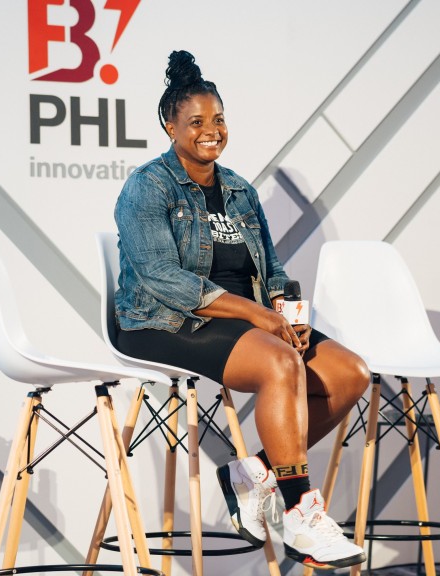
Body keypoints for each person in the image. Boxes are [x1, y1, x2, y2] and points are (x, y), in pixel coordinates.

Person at [114, 50, 370, 570]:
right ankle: (301, 511)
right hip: (160, 320)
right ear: (170, 126)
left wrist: (283, 310)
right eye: (197, 122)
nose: (211, 131)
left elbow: (272, 269)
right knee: (281, 364)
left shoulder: (238, 189)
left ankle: (254, 473)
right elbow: (165, 278)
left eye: (219, 119)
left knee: (351, 373)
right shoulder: (149, 185)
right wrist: (258, 318)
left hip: (243, 319)